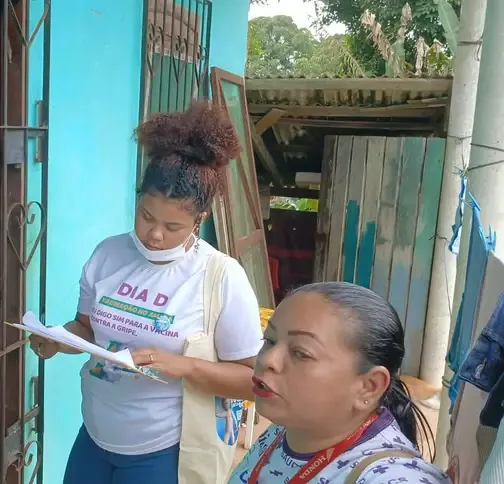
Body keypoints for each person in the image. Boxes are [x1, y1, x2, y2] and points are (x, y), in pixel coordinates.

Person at [29, 102, 264, 483]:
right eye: (146, 216)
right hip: (94, 437)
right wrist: (57, 340)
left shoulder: (221, 277)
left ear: (199, 219)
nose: (155, 235)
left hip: (162, 452)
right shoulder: (108, 254)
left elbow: (253, 380)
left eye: (173, 226)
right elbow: (86, 331)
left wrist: (182, 366)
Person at [229, 282, 450, 483]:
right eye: (270, 340)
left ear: (369, 386)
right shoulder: (288, 427)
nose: (268, 359)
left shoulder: (392, 479)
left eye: (301, 353)